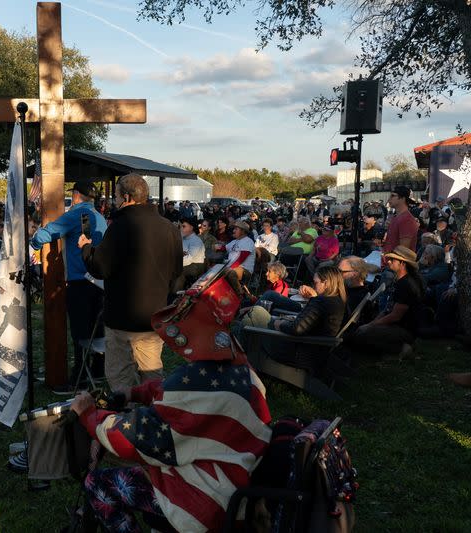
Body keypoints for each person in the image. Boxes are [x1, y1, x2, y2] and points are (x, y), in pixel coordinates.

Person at [71, 274, 271, 533]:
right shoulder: (243, 371)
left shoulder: (193, 384)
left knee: (98, 484)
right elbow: (178, 392)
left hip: (207, 499)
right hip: (239, 483)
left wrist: (90, 415)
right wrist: (134, 393)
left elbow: (137, 440)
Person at [78, 174, 183, 390]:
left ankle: (128, 417)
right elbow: (177, 273)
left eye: (116, 196)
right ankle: (152, 417)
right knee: (152, 374)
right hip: (154, 317)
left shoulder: (120, 226)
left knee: (120, 376)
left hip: (122, 318)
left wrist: (86, 248)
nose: (115, 201)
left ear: (126, 197)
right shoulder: (169, 228)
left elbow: (100, 267)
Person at [30, 181, 108, 388]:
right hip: (100, 281)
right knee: (96, 327)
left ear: (75, 195)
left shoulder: (76, 215)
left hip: (80, 280)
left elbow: (46, 234)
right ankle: (98, 368)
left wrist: (34, 240)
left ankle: (80, 373)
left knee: (80, 329)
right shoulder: (100, 217)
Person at [233, 265, 346, 373]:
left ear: (325, 282)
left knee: (256, 311)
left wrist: (279, 323)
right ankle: (235, 346)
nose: (314, 285)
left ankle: (235, 355)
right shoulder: (337, 301)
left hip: (294, 351)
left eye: (315, 282)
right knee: (246, 322)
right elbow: (309, 323)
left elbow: (296, 329)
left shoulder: (321, 301)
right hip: (310, 350)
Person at [350, 246, 424, 357]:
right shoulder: (402, 280)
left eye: (392, 260)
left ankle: (401, 348)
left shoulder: (406, 284)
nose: (388, 262)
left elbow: (395, 316)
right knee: (360, 331)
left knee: (360, 336)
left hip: (404, 329)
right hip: (399, 326)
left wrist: (370, 326)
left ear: (402, 263)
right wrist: (372, 323)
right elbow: (388, 310)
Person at [382, 186, 419, 255]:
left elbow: (403, 250)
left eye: (393, 196)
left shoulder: (407, 220)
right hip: (387, 260)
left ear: (402, 198)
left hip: (395, 263)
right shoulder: (396, 217)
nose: (389, 199)